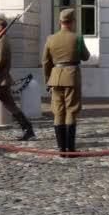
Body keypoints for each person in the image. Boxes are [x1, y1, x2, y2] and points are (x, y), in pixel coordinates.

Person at [42, 8, 90, 157]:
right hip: (71, 77)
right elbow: (86, 56)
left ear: (60, 22)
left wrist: (48, 81)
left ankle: (61, 149)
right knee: (71, 110)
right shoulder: (78, 38)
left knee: (58, 111)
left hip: (55, 77)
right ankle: (71, 149)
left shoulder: (50, 39)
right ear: (73, 22)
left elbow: (45, 62)